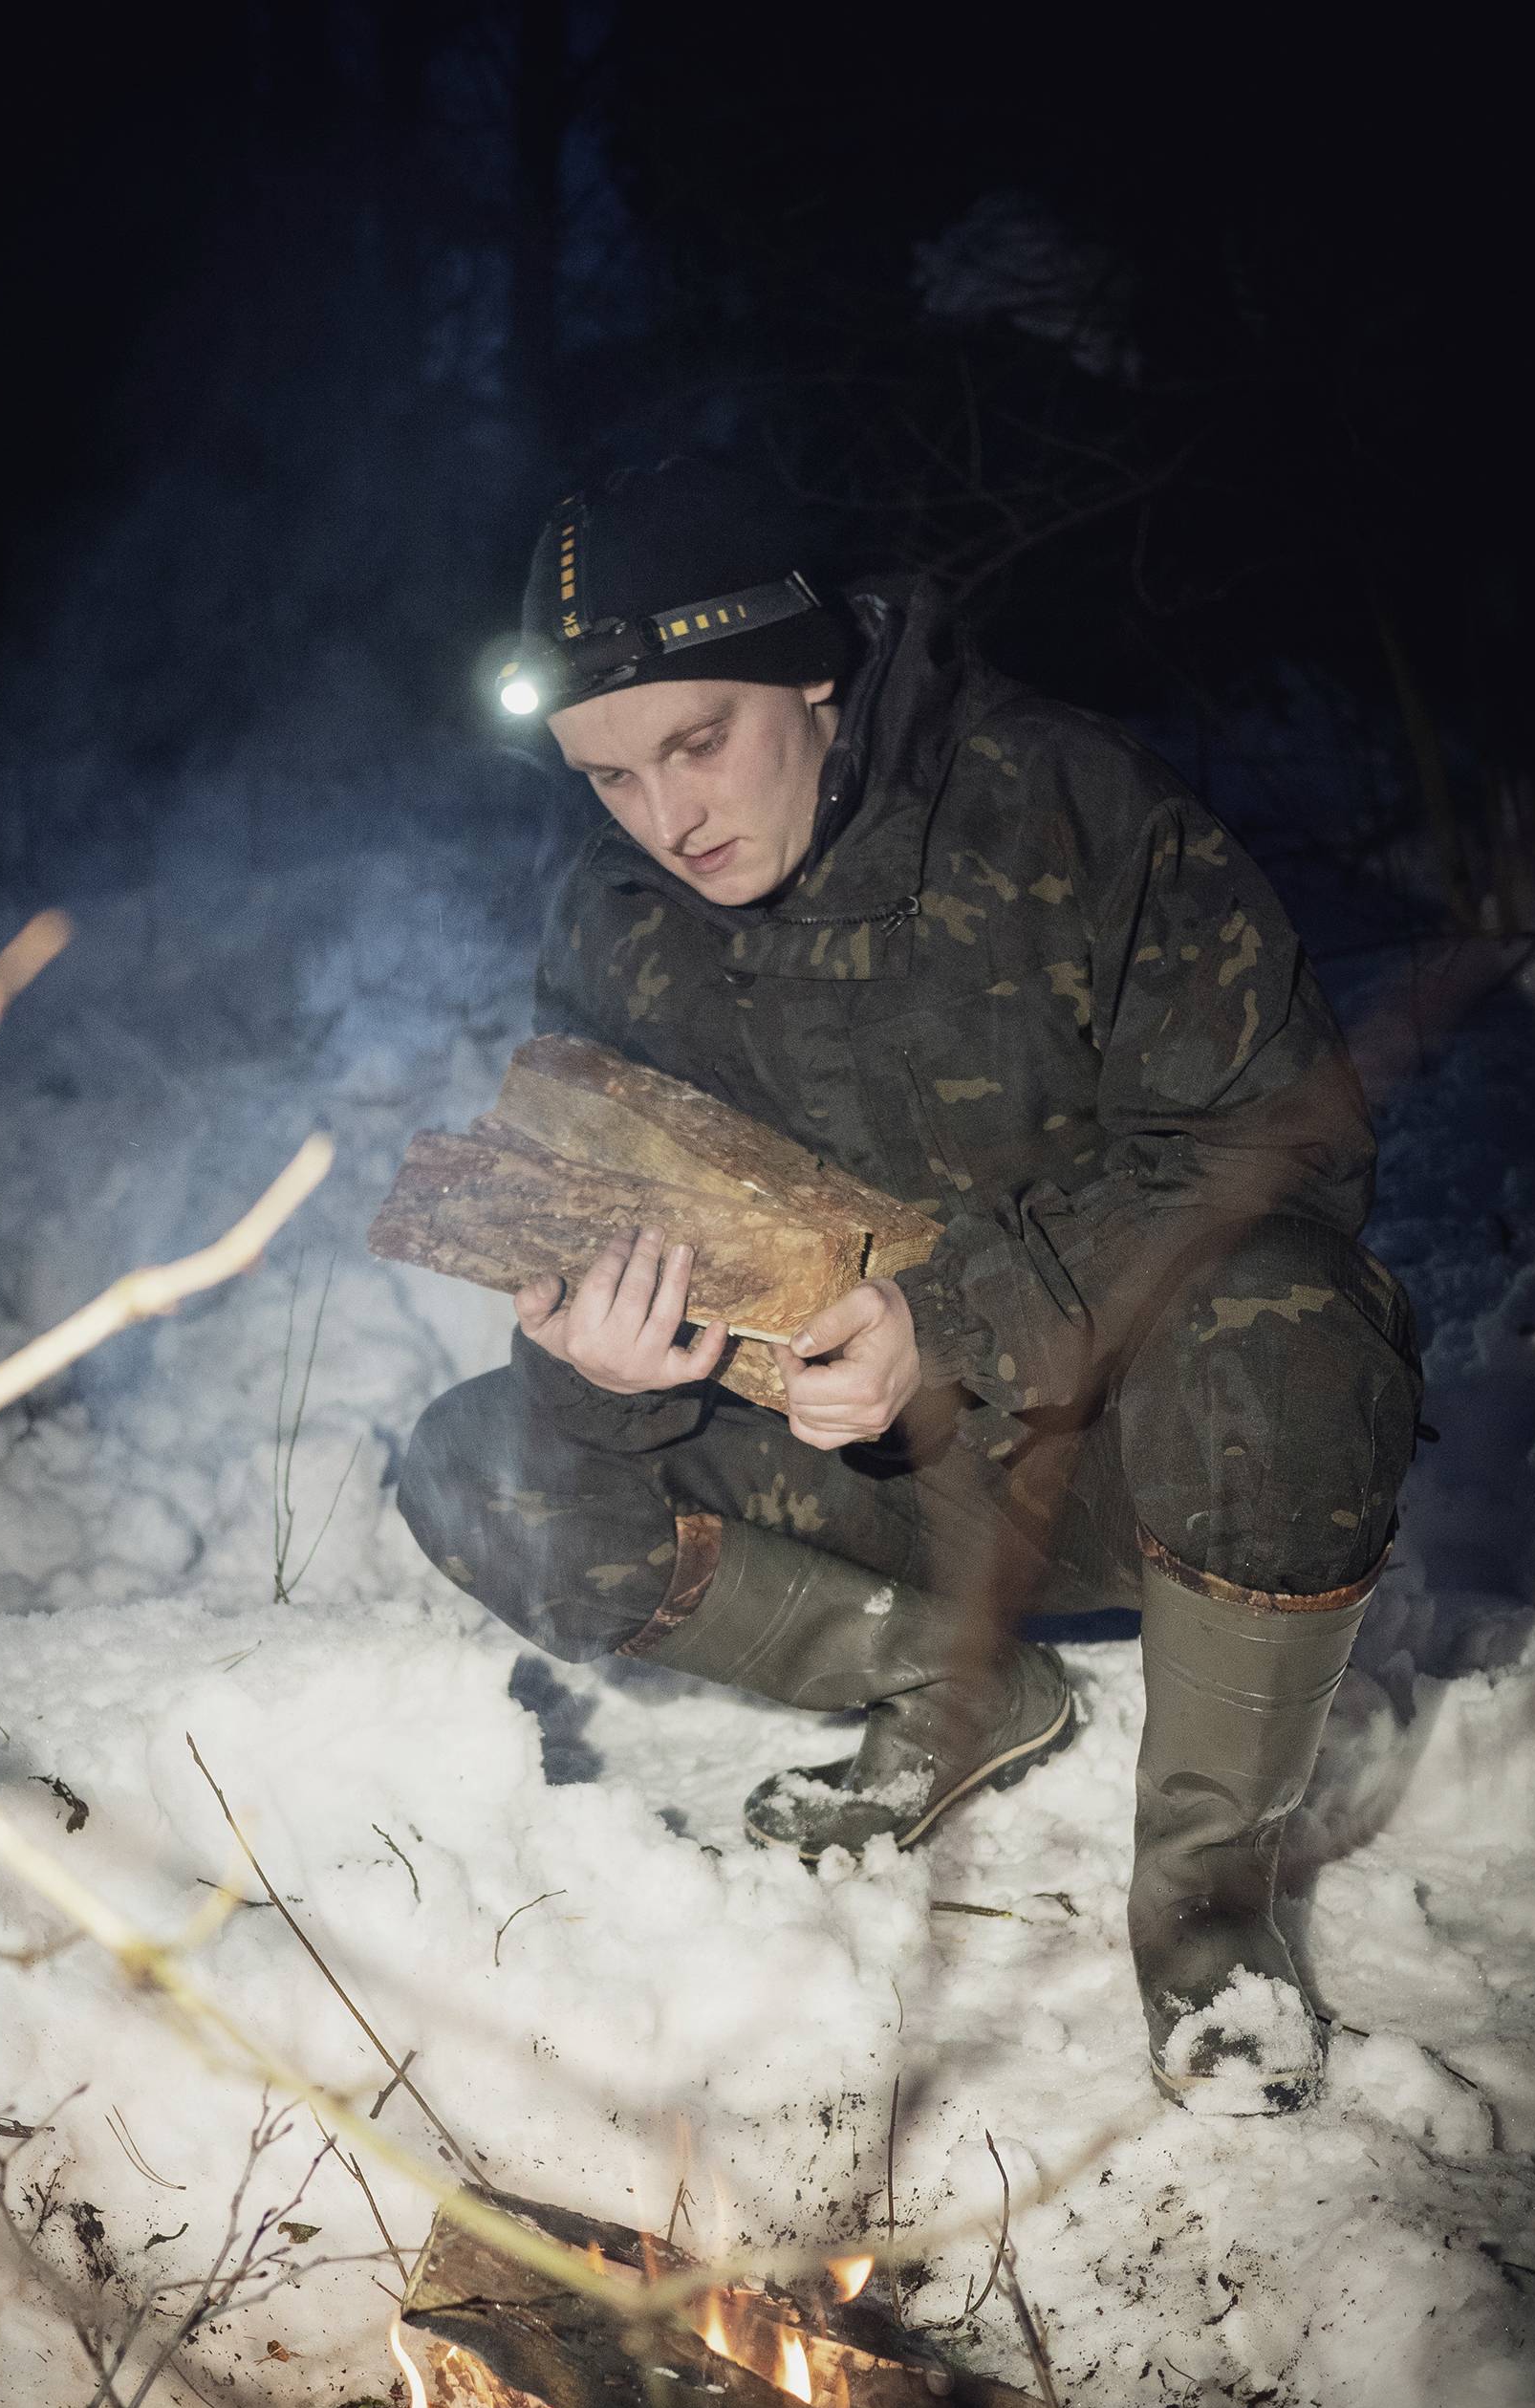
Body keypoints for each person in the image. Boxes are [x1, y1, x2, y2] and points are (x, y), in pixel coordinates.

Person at [399, 458, 1420, 2115]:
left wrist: (947, 1320)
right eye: (607, 778)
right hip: (862, 1476)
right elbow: (606, 1210)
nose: (667, 817)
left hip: (1130, 1456)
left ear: (812, 668)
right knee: (481, 1458)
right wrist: (602, 1361)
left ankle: (1208, 1910)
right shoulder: (613, 918)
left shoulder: (1062, 804)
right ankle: (950, 1690)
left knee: (1293, 1328)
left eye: (698, 740)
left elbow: (1288, 1143)